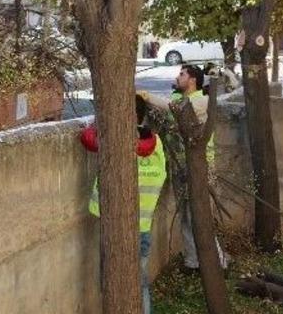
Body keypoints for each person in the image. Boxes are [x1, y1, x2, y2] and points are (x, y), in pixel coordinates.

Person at [138, 65, 228, 273]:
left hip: (199, 167)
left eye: (182, 74)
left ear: (193, 79)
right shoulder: (180, 99)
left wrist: (147, 96)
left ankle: (219, 262)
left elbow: (172, 110)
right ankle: (192, 262)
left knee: (200, 216)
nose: (177, 77)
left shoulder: (200, 101)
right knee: (186, 217)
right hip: (180, 167)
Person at [80, 95, 166, 314]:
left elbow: (87, 137)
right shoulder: (157, 144)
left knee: (114, 283)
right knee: (141, 284)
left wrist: (98, 126)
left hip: (116, 228)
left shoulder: (115, 141)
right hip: (143, 227)